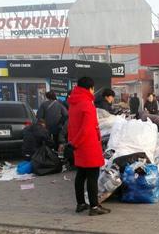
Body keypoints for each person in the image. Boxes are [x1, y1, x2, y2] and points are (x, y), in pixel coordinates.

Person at [67, 77, 110, 216]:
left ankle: (80, 203)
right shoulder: (87, 104)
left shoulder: (74, 103)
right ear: (90, 88)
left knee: (81, 175)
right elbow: (87, 128)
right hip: (88, 145)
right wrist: (77, 143)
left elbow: (72, 125)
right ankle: (94, 207)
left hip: (78, 145)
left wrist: (73, 143)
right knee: (92, 176)